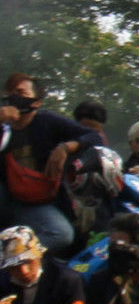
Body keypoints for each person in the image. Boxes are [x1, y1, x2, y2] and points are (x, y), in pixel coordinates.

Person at [1, 73, 98, 257]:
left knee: (62, 234)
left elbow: (93, 136)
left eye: (20, 92)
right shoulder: (3, 126)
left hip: (35, 202)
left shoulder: (47, 122)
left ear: (36, 102)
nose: (14, 97)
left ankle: (16, 257)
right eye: (9, 93)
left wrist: (65, 147)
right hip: (5, 196)